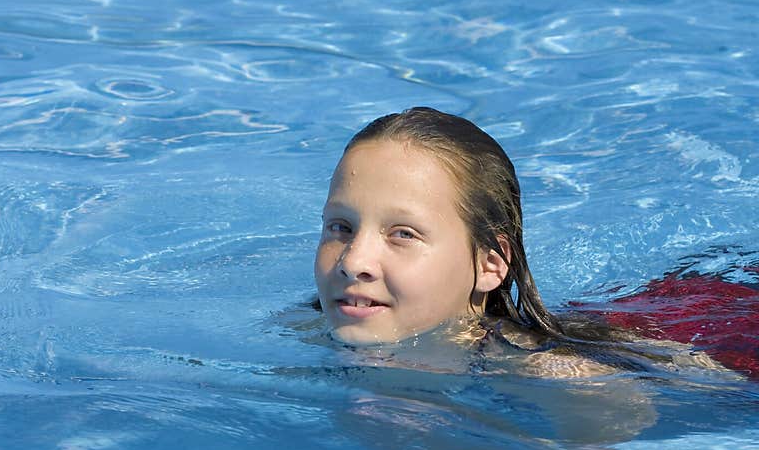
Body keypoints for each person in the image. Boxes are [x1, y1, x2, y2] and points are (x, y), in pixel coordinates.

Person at [313, 106, 752, 381]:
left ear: (489, 264)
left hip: (726, 331)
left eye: (403, 234)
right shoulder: (304, 328)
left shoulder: (557, 373)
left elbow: (605, 433)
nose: (354, 262)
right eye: (340, 227)